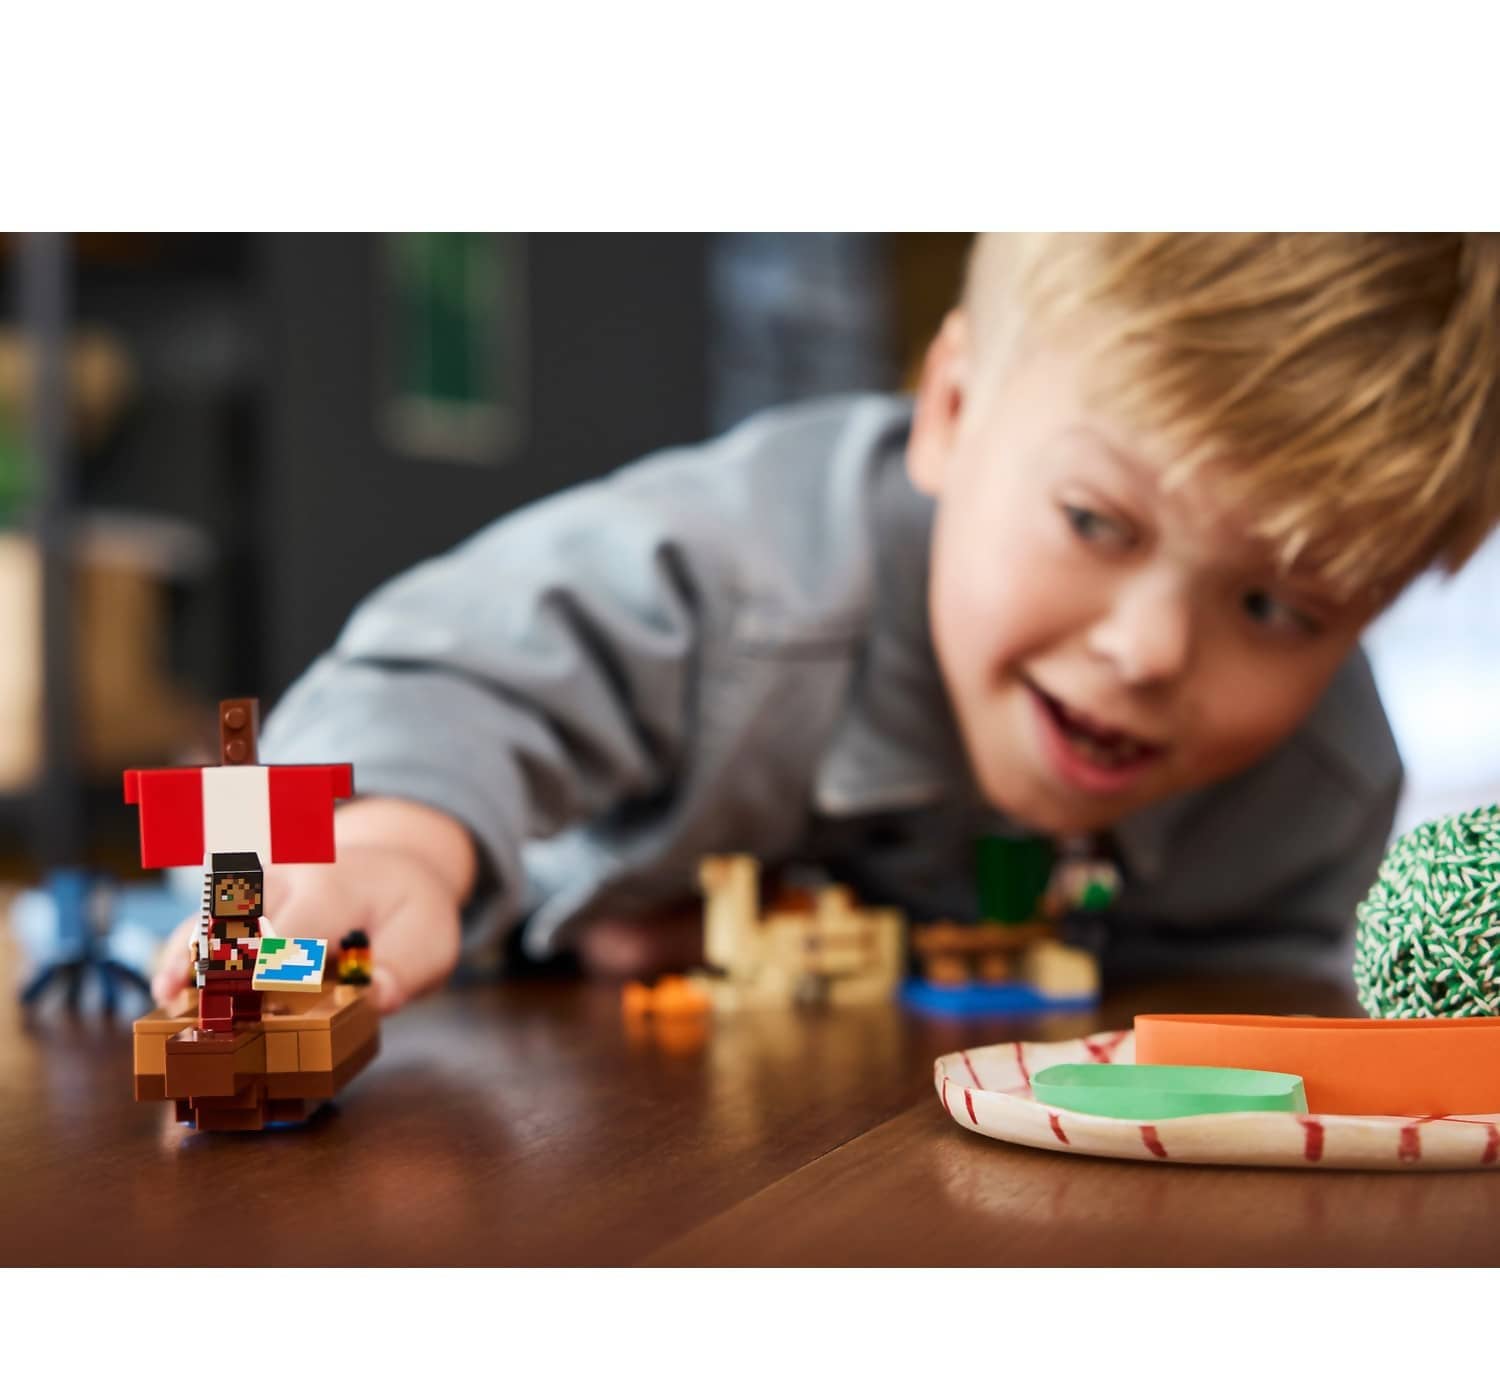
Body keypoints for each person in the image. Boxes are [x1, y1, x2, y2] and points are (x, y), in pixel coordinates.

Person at [152, 234, 1500, 1015]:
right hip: (480, 991)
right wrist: (395, 836)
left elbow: (1233, 1031)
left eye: (1278, 606)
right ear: (952, 411)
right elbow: (439, 667)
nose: (1150, 651)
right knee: (241, 843)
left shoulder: (1317, 789)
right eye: (1097, 522)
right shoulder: (735, 571)